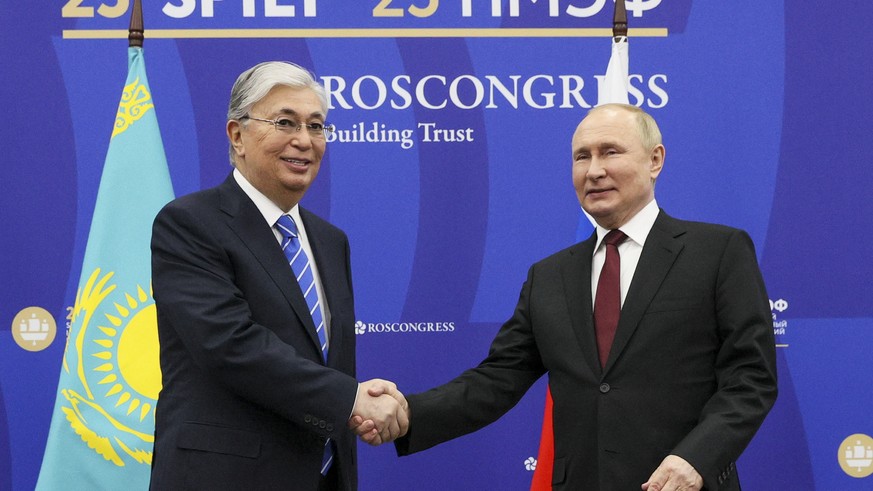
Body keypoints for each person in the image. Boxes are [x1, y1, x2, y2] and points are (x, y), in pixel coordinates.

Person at [356, 103, 778, 491]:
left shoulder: (718, 252)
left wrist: (696, 458)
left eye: (610, 152)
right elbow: (496, 380)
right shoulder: (550, 276)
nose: (593, 170)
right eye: (582, 156)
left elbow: (751, 378)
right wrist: (409, 413)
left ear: (655, 160)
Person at [149, 61, 407, 491]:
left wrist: (360, 401)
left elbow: (322, 360)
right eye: (285, 122)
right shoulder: (189, 223)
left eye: (316, 126)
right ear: (237, 135)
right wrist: (349, 398)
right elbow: (229, 344)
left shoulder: (330, 240)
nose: (304, 141)